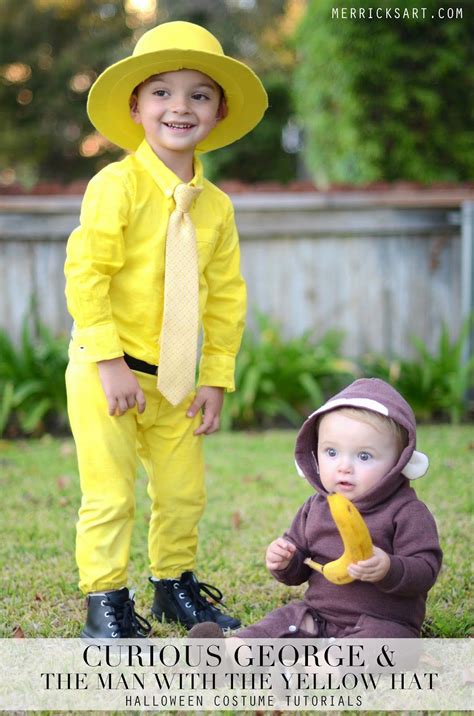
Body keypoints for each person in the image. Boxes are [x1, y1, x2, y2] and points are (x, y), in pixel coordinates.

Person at [64, 20, 268, 638]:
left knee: (183, 495)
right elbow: (86, 275)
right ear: (135, 106)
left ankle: (172, 587)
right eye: (162, 92)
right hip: (110, 370)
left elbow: (226, 299)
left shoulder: (217, 207)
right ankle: (105, 602)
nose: (180, 106)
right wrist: (107, 361)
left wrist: (215, 379)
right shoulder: (115, 186)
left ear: (218, 110)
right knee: (111, 495)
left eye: (198, 94)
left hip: (178, 380)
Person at [190, 378, 442, 639]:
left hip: (383, 622)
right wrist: (286, 561)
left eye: (364, 456)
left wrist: (389, 568)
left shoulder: (406, 512)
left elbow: (426, 569)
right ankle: (230, 654)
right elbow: (299, 564)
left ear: (398, 461)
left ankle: (321, 669)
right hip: (318, 615)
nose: (344, 467)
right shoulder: (316, 507)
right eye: (331, 452)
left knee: (385, 641)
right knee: (285, 619)